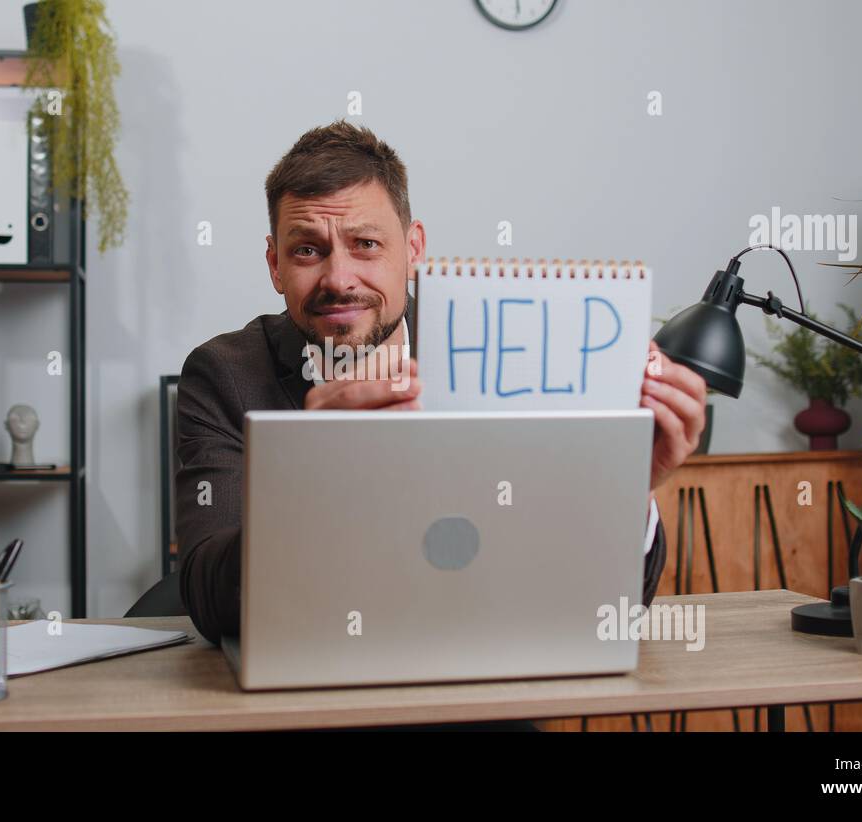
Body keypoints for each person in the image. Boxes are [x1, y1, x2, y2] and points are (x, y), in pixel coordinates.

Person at [176, 120, 708, 652]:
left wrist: (623, 491)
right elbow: (208, 597)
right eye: (308, 251)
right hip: (307, 682)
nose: (338, 278)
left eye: (365, 244)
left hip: (478, 679)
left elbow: (604, 614)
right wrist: (319, 473)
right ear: (275, 265)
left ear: (414, 250)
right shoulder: (226, 375)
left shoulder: (504, 358)